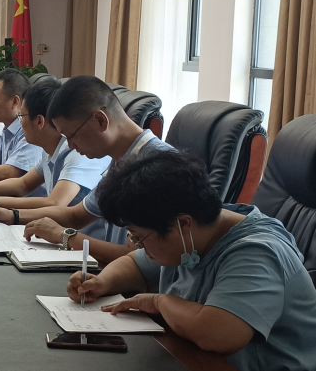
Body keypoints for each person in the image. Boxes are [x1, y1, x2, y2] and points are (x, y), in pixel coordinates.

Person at [68, 151, 316, 370]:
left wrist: (159, 301)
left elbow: (218, 335)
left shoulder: (258, 253)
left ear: (183, 224)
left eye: (140, 237)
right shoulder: (193, 233)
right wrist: (102, 282)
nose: (138, 245)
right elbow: (135, 264)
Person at [0, 75, 175, 265]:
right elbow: (76, 215)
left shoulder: (157, 166)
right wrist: (13, 215)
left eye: (72, 135)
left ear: (100, 120)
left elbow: (138, 259)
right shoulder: (119, 160)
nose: (70, 145)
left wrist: (65, 236)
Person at [0, 79, 110, 240]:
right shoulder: (50, 148)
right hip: (59, 236)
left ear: (40, 121)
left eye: (21, 116)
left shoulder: (78, 153)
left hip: (84, 245)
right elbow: (24, 184)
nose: (20, 123)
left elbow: (55, 203)